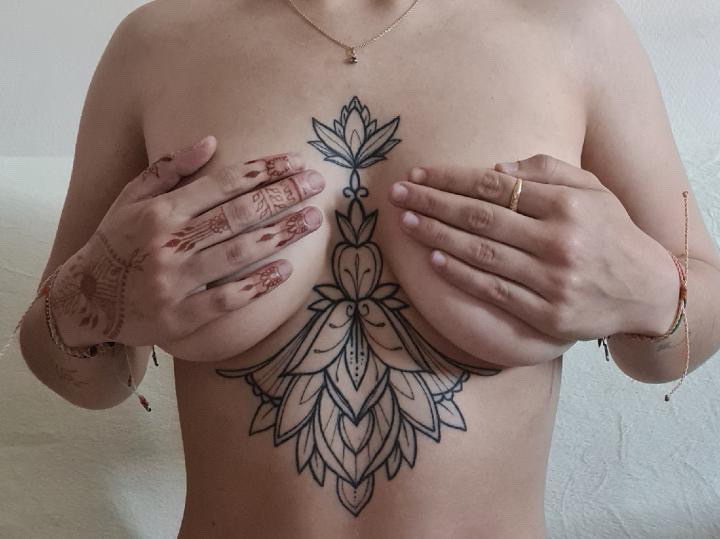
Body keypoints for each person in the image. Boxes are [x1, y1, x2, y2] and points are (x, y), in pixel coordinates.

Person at [16, 0, 720, 537]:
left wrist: (651, 290)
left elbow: (693, 315)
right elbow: (83, 370)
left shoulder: (574, 30)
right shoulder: (157, 43)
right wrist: (91, 298)